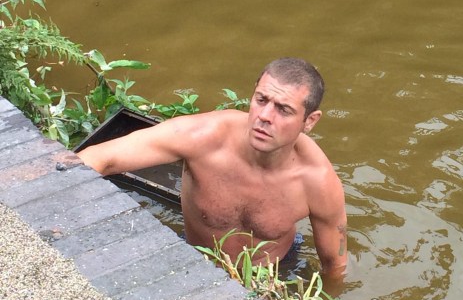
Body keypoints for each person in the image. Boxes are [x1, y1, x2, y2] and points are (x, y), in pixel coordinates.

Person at [77, 58, 347, 279]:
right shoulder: (203, 138)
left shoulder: (317, 181)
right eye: (261, 100)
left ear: (309, 121)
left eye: (283, 110)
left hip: (275, 273)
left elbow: (335, 266)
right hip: (196, 261)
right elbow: (100, 158)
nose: (265, 117)